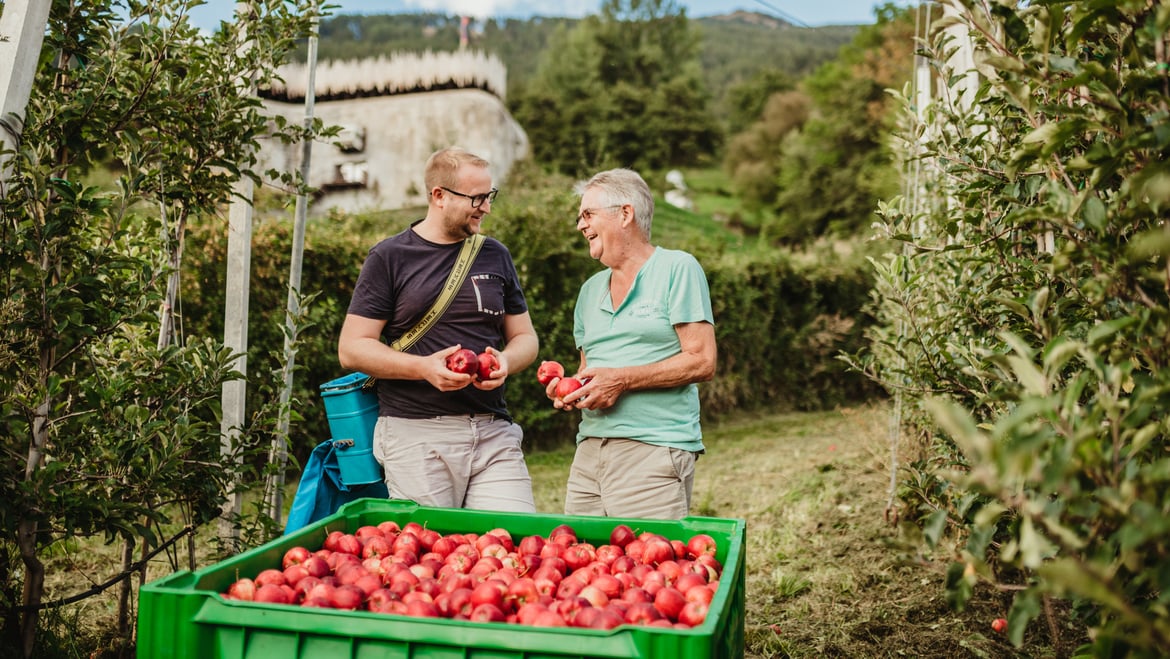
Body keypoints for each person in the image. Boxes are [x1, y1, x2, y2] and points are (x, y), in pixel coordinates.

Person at [338, 146, 539, 513]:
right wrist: (424, 368)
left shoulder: (496, 254)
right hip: (416, 435)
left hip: (493, 430)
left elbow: (525, 338)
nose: (486, 207)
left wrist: (507, 362)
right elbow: (352, 348)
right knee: (433, 555)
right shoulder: (389, 256)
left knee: (512, 544)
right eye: (476, 198)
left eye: (489, 196)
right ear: (439, 196)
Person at [547, 167, 717, 519]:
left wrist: (621, 380)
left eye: (588, 214)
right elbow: (588, 369)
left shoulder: (677, 268)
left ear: (625, 214)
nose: (581, 225)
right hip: (590, 452)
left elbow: (702, 361)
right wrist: (570, 390)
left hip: (654, 449)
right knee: (581, 564)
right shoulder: (588, 291)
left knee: (647, 568)